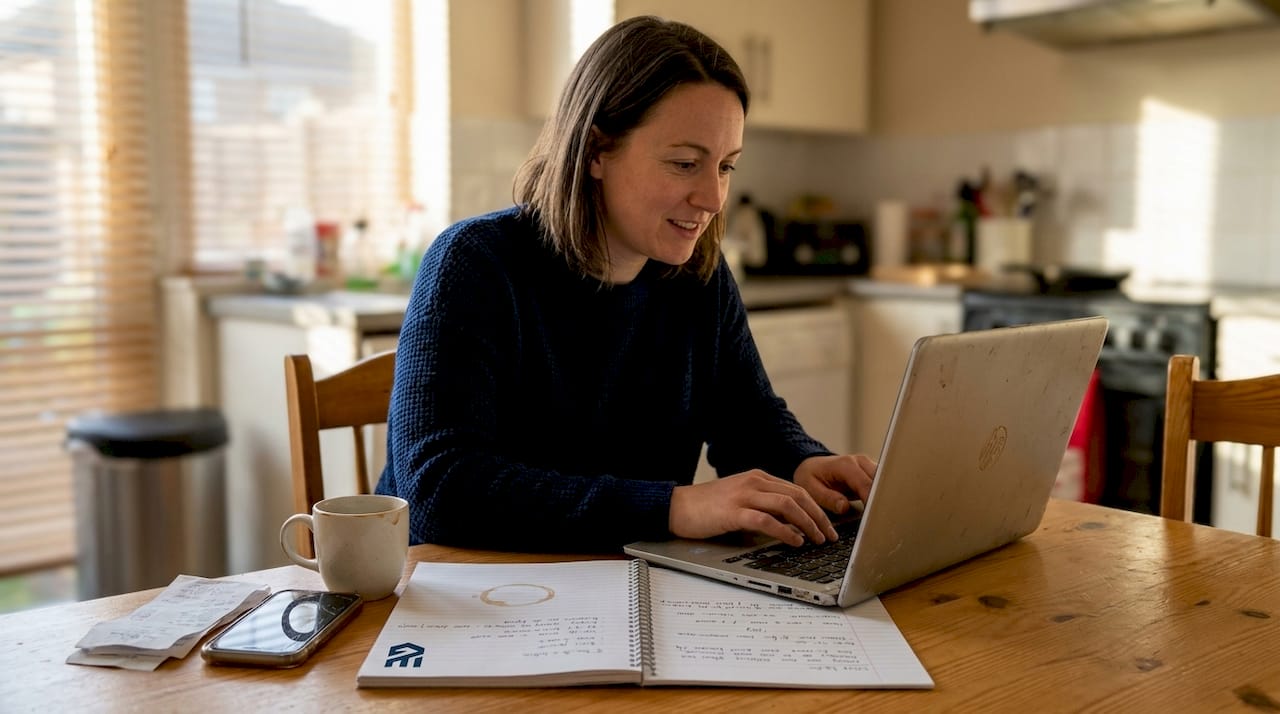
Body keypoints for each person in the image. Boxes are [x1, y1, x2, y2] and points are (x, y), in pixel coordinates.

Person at [375, 15, 876, 552]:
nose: (712, 198)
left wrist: (804, 464)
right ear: (596, 151)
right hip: (471, 596)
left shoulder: (697, 273)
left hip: (629, 581)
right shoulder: (475, 263)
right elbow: (440, 492)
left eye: (726, 167)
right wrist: (674, 506)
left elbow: (749, 422)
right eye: (685, 163)